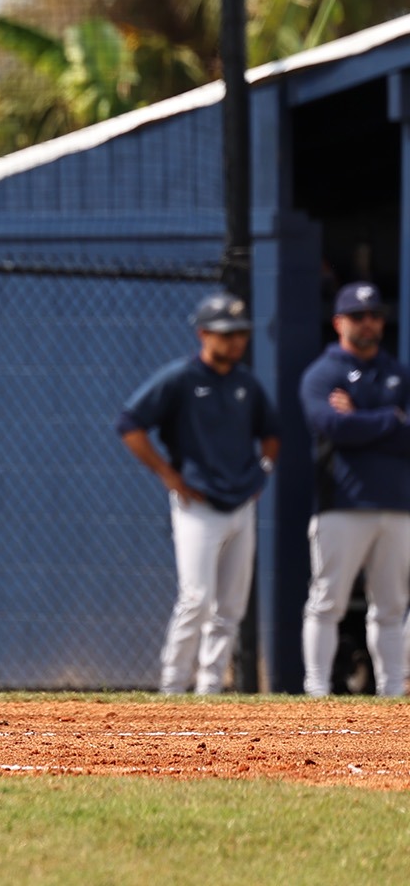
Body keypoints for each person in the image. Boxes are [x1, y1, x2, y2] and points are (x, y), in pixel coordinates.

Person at [117, 292, 278, 694]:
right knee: (196, 599)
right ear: (203, 333)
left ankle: (210, 688)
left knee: (231, 605)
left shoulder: (245, 383)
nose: (235, 341)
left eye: (240, 333)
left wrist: (262, 472)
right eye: (226, 333)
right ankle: (173, 686)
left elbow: (272, 432)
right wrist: (166, 473)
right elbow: (129, 423)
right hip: (197, 502)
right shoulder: (181, 378)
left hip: (240, 502)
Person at [298, 281, 410, 697]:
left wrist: (361, 417)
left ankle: (392, 691)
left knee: (392, 606)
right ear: (339, 322)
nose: (368, 323)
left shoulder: (398, 373)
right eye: (358, 316)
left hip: (397, 504)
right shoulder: (323, 373)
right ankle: (317, 690)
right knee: (327, 600)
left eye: (375, 315)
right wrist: (390, 419)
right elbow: (333, 426)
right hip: (341, 504)